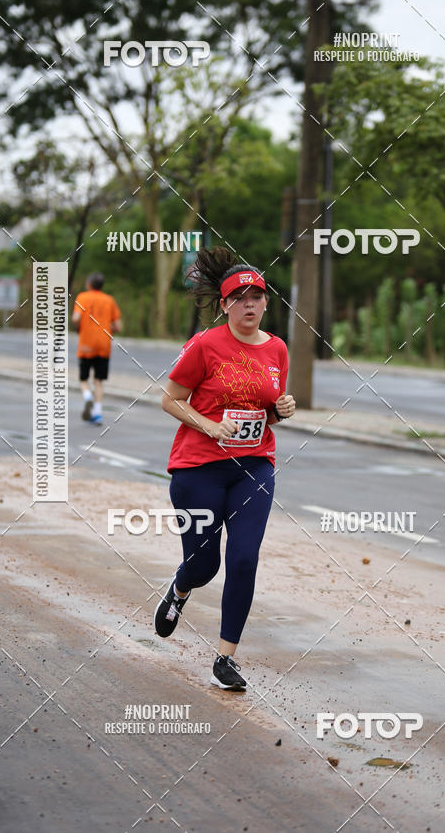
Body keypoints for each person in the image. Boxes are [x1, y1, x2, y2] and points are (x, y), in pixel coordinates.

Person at [155, 247, 296, 691]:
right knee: (204, 566)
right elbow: (170, 398)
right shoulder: (205, 345)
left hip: (253, 466)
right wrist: (211, 426)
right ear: (225, 304)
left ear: (267, 302)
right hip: (198, 468)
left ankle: (225, 657)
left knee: (244, 558)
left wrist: (281, 410)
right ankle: (181, 589)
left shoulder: (277, 348)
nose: (249, 304)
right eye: (240, 298)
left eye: (257, 296)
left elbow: (266, 412)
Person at [72, 272, 122, 425]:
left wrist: (78, 328)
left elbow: (75, 318)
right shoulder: (109, 300)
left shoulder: (82, 297)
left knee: (83, 379)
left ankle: (88, 397)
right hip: (104, 345)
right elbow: (118, 326)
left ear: (89, 284)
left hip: (86, 344)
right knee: (99, 381)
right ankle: (98, 413)